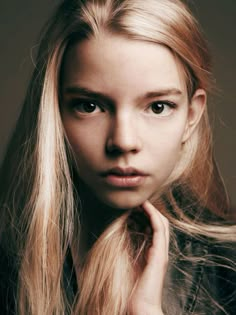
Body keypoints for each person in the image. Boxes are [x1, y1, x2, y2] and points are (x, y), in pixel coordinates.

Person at [0, 0, 235, 314]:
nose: (123, 141)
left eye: (158, 107)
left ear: (191, 116)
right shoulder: (8, 270)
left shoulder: (228, 273)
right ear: (54, 113)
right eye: (90, 106)